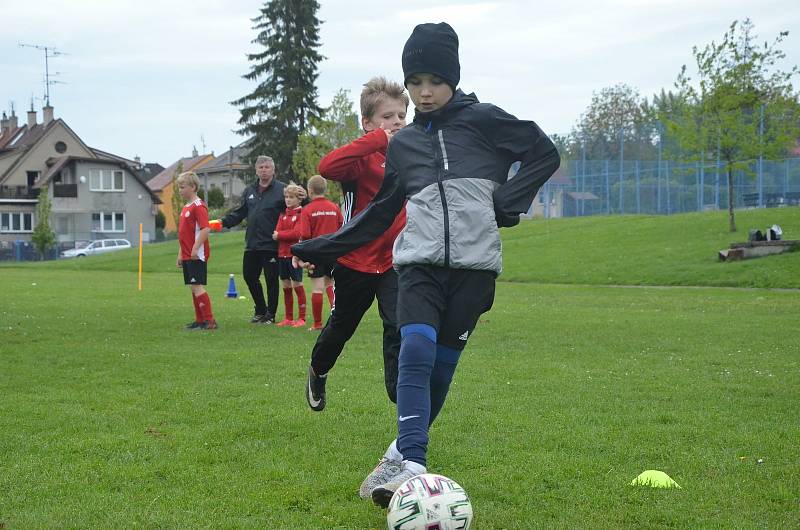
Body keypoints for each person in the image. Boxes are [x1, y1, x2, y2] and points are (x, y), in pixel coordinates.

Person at [292, 22, 560, 507]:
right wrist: (325, 246)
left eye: (433, 81)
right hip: (416, 265)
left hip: (475, 270)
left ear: (452, 78)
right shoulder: (406, 144)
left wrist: (509, 203)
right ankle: (414, 460)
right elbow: (380, 211)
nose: (424, 92)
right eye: (415, 82)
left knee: (441, 369)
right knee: (414, 347)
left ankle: (397, 453)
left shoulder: (486, 121)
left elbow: (544, 152)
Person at [297, 76, 408, 418]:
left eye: (402, 115)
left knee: (399, 324)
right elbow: (326, 167)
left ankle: (399, 394)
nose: (397, 122)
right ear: (369, 123)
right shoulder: (361, 158)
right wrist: (376, 140)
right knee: (342, 327)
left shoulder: (412, 154)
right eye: (388, 117)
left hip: (395, 261)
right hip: (355, 261)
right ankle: (318, 370)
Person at [216, 156, 297, 324]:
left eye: (267, 167)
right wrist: (223, 222)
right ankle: (260, 309)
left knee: (271, 280)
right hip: (252, 243)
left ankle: (271, 315)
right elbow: (240, 212)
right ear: (256, 170)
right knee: (249, 276)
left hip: (271, 244)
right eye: (261, 167)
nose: (264, 170)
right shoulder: (250, 191)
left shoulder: (282, 190)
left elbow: (296, 209)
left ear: (273, 170)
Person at [296, 175, 343, 331]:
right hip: (333, 253)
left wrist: (300, 255)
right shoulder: (334, 207)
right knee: (330, 285)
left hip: (316, 253)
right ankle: (336, 320)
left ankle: (317, 324)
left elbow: (305, 235)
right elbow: (342, 228)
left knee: (317, 288)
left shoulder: (307, 210)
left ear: (309, 191)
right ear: (325, 189)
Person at [175, 171, 217, 330]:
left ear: (193, 187)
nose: (180, 190)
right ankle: (200, 320)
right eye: (179, 187)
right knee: (193, 286)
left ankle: (209, 320)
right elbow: (184, 234)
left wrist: (194, 248)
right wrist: (180, 253)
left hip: (196, 254)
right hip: (187, 254)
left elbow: (206, 229)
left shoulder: (199, 206)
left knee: (197, 286)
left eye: (182, 187)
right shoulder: (186, 207)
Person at [272, 183, 307, 327]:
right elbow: (276, 232)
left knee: (297, 284)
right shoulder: (283, 215)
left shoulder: (301, 214)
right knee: (286, 285)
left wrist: (280, 235)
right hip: (282, 254)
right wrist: (280, 235)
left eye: (291, 197)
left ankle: (302, 318)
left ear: (299, 199)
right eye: (286, 197)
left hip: (294, 255)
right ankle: (288, 317)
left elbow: (296, 233)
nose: (288, 200)